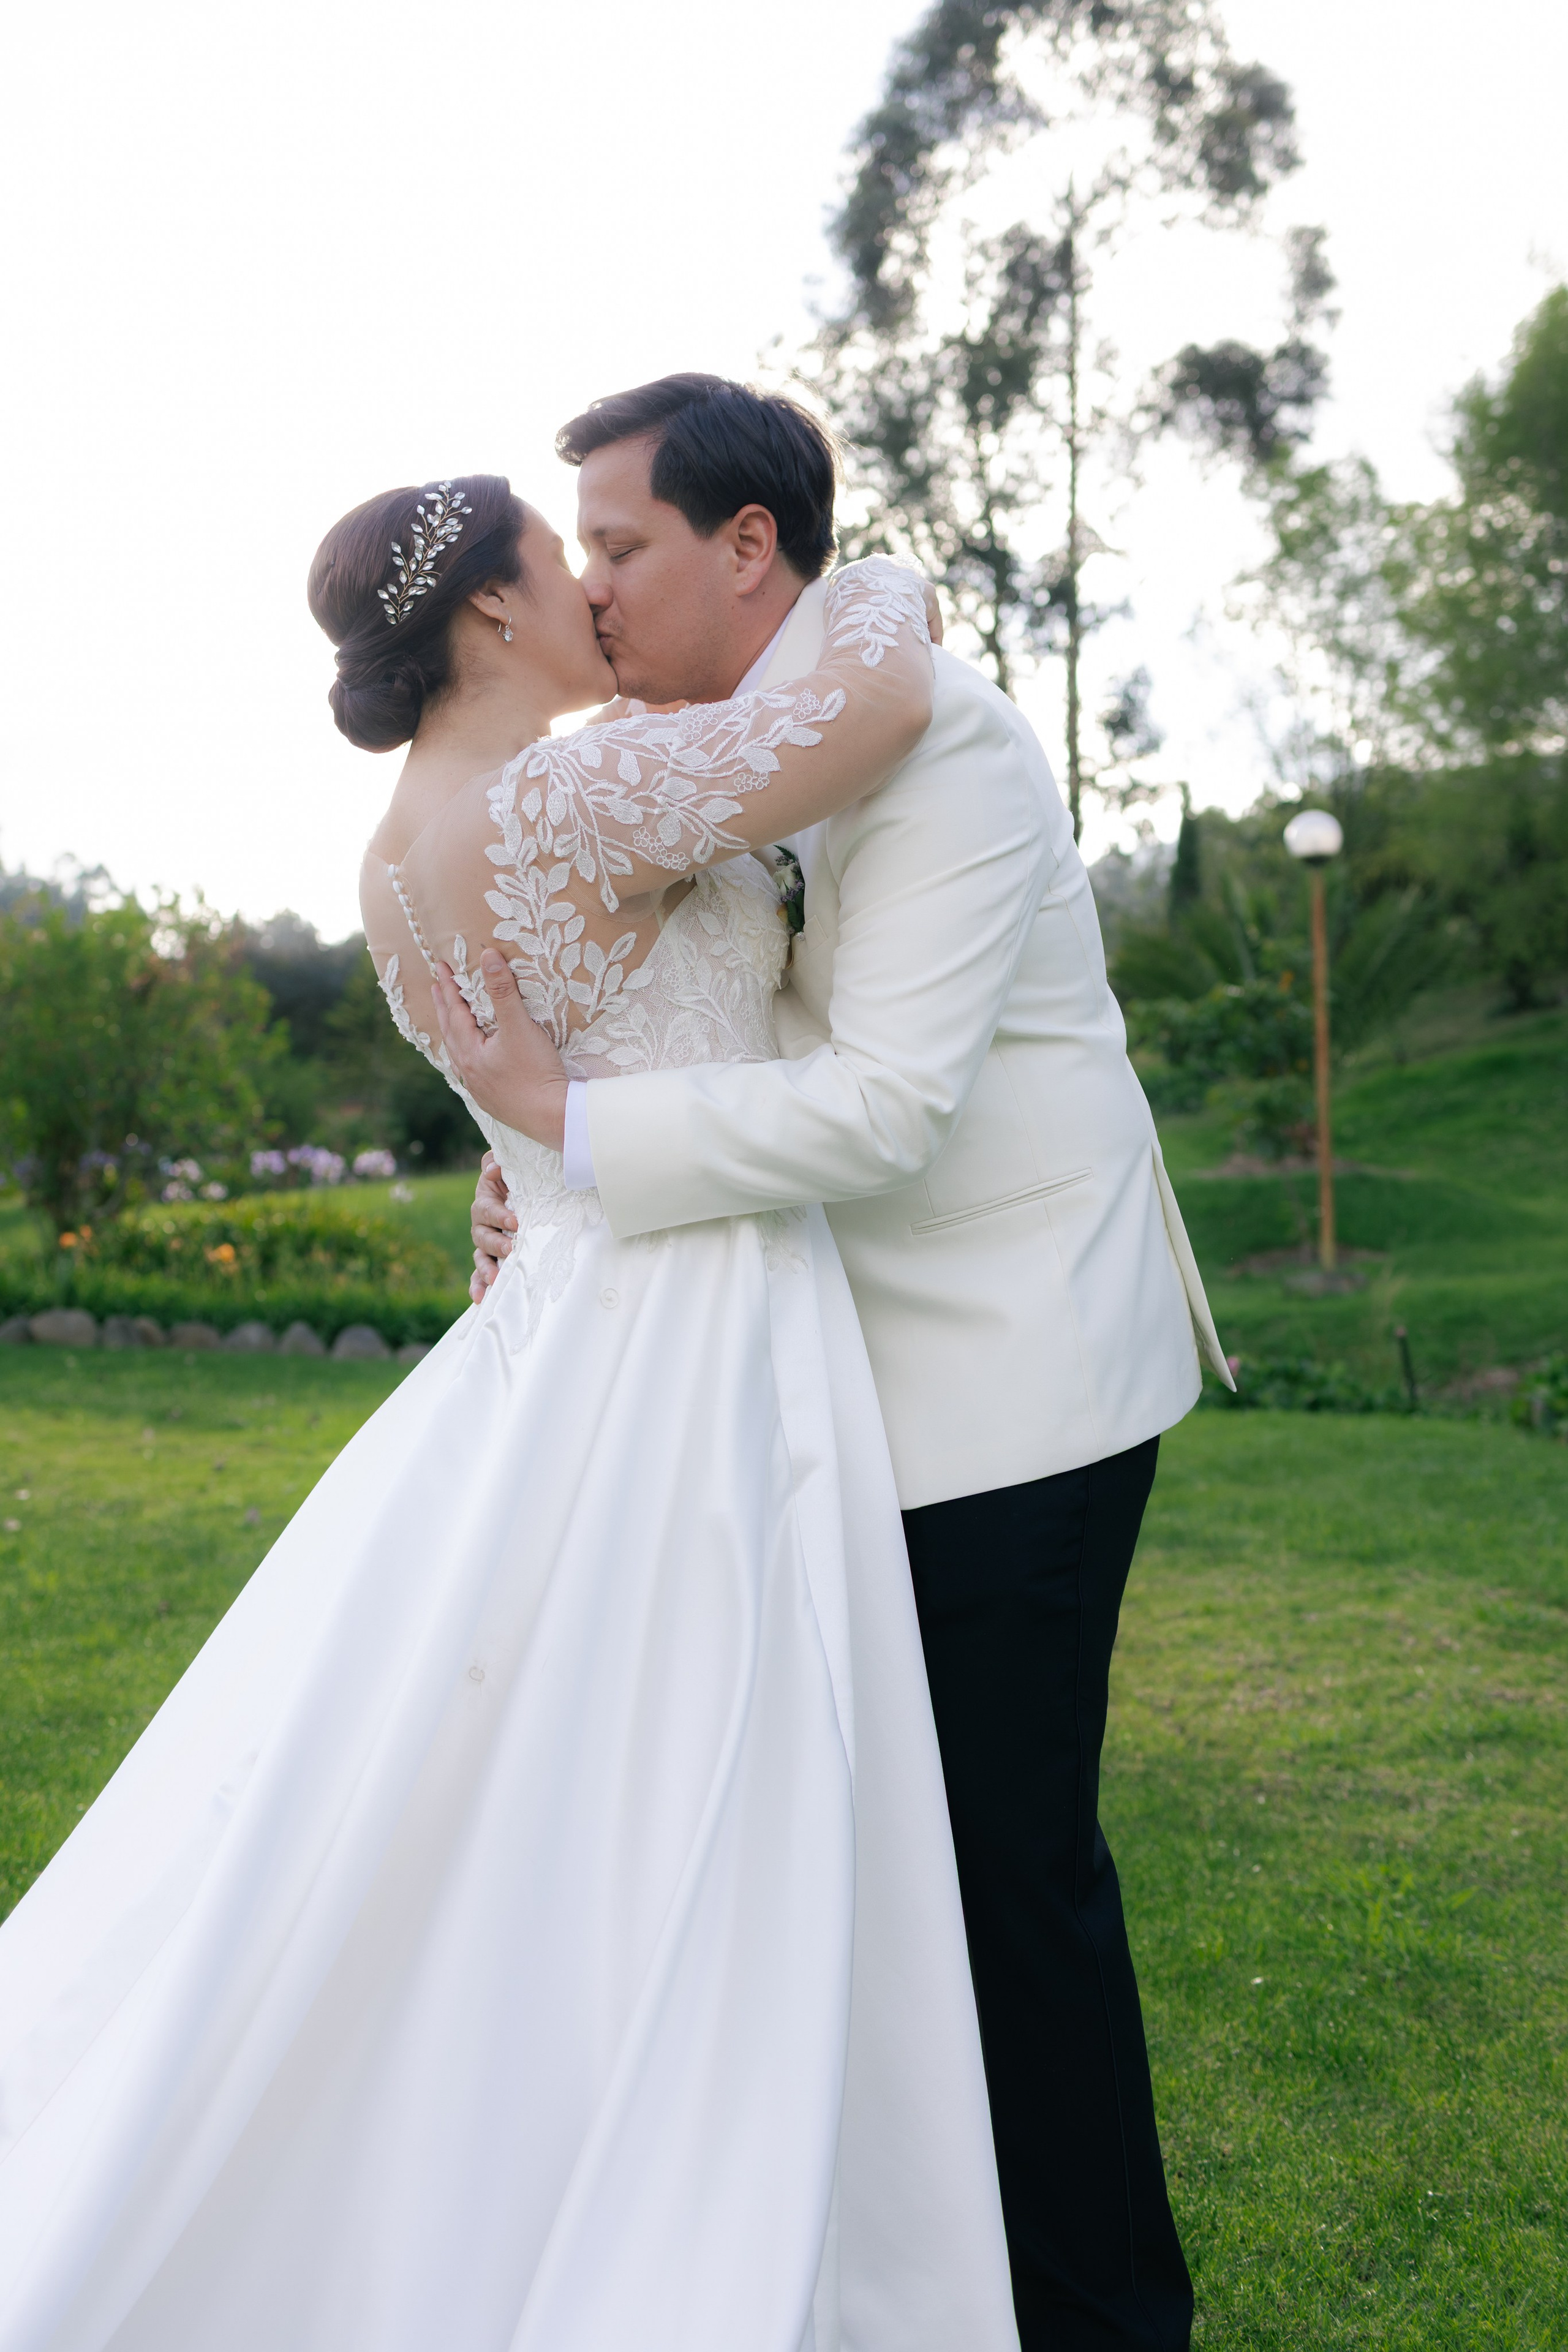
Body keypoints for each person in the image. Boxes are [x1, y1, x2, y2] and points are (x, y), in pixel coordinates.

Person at [0, 465, 1020, 2352]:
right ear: (487, 612)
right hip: (696, 1307)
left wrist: (535, 1162)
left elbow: (552, 1091)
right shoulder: (565, 791)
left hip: (558, 1297)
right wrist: (862, 568)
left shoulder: (394, 846)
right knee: (722, 1747)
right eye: (568, 565)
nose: (599, 597)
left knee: (514, 1761)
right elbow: (866, 708)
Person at [455, 374, 1234, 2352]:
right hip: (835, 1378)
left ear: (745, 549)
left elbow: (887, 1105)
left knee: (1005, 1887)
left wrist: (590, 1144)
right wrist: (562, 1174)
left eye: (622, 546)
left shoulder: (945, 753)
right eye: (584, 557)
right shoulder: (737, 745)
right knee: (872, 1873)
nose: (599, 594)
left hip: (1012, 1385)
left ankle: (1104, 2317)